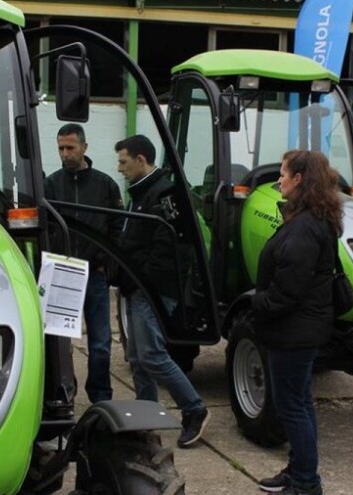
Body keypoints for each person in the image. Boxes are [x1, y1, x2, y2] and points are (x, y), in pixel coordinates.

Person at [252, 150, 343, 495]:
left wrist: (254, 301)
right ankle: (300, 471)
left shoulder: (305, 226)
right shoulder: (310, 218)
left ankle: (305, 483)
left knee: (292, 406)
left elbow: (287, 291)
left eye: (283, 173)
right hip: (301, 327)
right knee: (300, 403)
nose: (279, 179)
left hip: (294, 330)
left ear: (299, 179)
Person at [113, 134, 210, 448]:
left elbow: (171, 249)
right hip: (136, 285)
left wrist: (140, 280)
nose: (120, 168)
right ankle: (146, 416)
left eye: (124, 162)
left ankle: (194, 409)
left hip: (150, 289)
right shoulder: (141, 193)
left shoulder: (163, 193)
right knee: (139, 359)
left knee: (152, 355)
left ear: (141, 160)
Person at [44, 123, 123, 403]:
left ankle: (100, 396)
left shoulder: (105, 185)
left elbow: (117, 227)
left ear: (84, 147)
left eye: (70, 148)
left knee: (101, 343)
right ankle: (64, 392)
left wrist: (106, 265)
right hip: (62, 275)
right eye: (61, 149)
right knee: (59, 343)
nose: (65, 154)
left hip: (94, 276)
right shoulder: (51, 185)